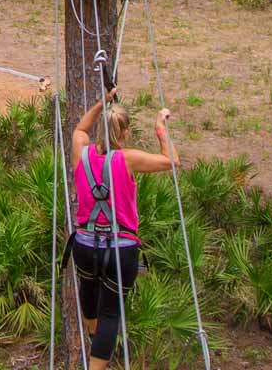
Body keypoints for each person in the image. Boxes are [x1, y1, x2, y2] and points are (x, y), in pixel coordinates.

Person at [69, 90, 178, 370]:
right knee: (111, 314)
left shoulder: (81, 153)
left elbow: (81, 128)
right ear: (125, 132)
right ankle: (98, 357)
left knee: (90, 296)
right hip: (121, 249)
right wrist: (160, 127)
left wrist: (103, 102)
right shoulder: (128, 159)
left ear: (99, 130)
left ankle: (94, 339)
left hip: (84, 244)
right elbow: (172, 162)